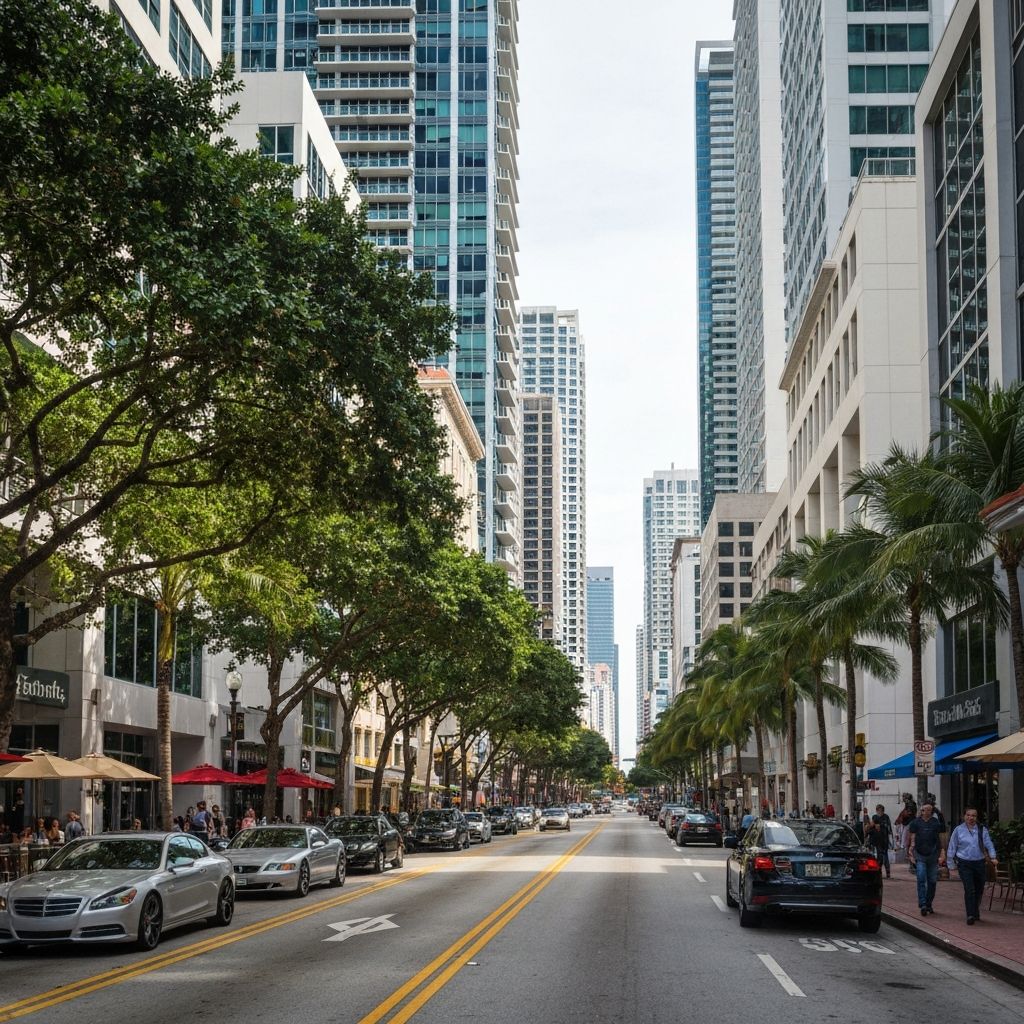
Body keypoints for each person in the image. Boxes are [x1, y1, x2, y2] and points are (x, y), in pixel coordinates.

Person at [946, 807, 998, 925]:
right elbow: (952, 846)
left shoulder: (981, 829)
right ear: (964, 816)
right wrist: (950, 864)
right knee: (969, 889)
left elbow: (988, 843)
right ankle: (970, 914)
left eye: (973, 816)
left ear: (976, 817)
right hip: (964, 863)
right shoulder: (958, 830)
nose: (971, 818)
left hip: (979, 862)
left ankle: (975, 910)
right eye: (968, 815)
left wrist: (993, 856)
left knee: (979, 889)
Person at [908, 802, 946, 915]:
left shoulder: (936, 823)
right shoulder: (915, 823)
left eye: (930, 810)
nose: (927, 812)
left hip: (933, 855)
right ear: (921, 811)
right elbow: (912, 837)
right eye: (925, 810)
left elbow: (941, 837)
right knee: (920, 877)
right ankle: (923, 903)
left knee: (932, 881)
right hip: (920, 855)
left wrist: (943, 852)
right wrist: (911, 851)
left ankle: (929, 903)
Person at [869, 804, 893, 879]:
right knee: (879, 856)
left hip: (884, 839)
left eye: (881, 810)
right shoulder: (874, 817)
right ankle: (879, 872)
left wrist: (880, 825)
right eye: (878, 810)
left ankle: (887, 873)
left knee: (884, 856)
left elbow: (888, 828)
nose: (879, 812)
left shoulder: (886, 817)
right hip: (877, 839)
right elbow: (871, 826)